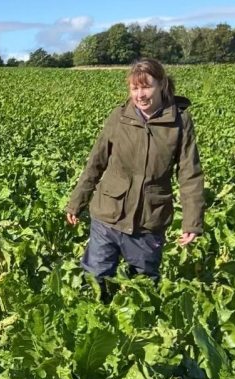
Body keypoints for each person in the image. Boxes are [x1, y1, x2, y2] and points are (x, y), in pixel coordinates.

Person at [65, 58, 204, 302]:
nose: (140, 94)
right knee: (94, 279)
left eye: (146, 86)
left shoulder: (179, 122)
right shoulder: (119, 117)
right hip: (109, 213)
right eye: (134, 88)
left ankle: (136, 335)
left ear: (161, 84)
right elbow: (96, 162)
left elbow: (189, 173)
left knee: (143, 287)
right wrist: (77, 202)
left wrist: (192, 221)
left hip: (148, 220)